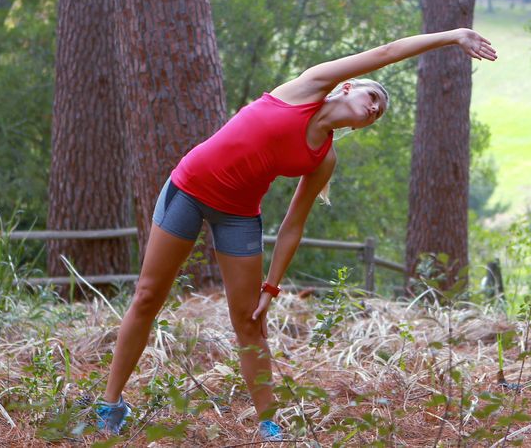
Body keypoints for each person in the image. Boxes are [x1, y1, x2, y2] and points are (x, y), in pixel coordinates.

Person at [95, 28, 498, 439]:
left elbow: (293, 224)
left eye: (378, 113)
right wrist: (454, 37)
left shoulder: (323, 158)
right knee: (147, 295)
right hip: (189, 188)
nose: (374, 108)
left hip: (237, 215)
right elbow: (388, 51)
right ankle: (109, 405)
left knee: (249, 322)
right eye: (371, 97)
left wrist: (272, 286)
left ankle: (270, 426)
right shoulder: (308, 86)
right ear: (347, 87)